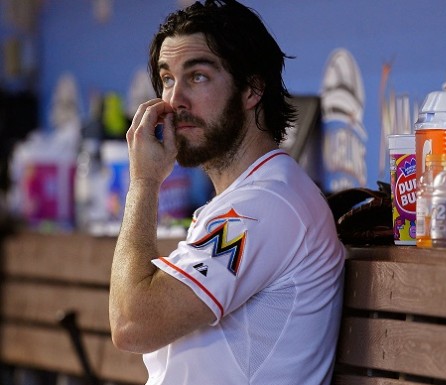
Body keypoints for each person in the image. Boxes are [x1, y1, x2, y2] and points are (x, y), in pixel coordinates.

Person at [108, 1, 346, 384]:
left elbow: (132, 322)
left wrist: (144, 182)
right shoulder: (249, 198)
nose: (174, 100)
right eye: (167, 79)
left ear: (252, 89)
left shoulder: (265, 205)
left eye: (198, 76)